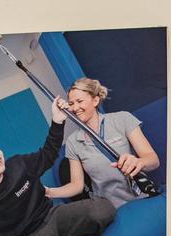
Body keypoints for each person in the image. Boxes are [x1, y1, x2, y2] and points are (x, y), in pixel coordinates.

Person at [0, 97, 112, 236]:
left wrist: (57, 121)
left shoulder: (18, 165)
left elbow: (48, 154)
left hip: (53, 216)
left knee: (103, 209)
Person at [45, 77, 159, 217]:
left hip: (141, 199)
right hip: (109, 212)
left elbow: (153, 160)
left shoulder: (122, 119)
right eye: (71, 103)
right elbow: (77, 185)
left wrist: (138, 162)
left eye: (80, 101)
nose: (75, 108)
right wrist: (50, 192)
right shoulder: (73, 142)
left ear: (95, 100)